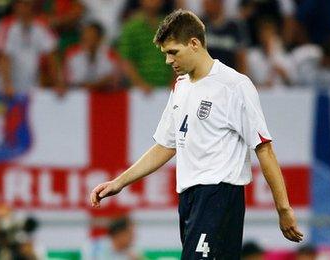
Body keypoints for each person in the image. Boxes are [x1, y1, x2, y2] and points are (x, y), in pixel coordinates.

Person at [90, 9, 303, 260]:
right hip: (189, 199)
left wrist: (283, 208)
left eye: (173, 52)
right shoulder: (181, 87)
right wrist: (119, 183)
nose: (169, 61)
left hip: (219, 196)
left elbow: (263, 148)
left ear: (194, 44)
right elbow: (165, 145)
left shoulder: (234, 86)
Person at [0, 0, 65, 96]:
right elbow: (4, 57)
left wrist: (58, 82)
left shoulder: (41, 26)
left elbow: (52, 55)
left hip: (32, 86)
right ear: (15, 7)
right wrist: (7, 84)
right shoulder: (6, 25)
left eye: (27, 5)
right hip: (9, 89)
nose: (24, 8)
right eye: (21, 5)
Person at [117, 0, 173, 93]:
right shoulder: (131, 27)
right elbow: (126, 60)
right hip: (140, 92)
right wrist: (140, 84)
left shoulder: (170, 27)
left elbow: (179, 57)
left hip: (167, 90)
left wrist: (173, 83)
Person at [64, 22, 121, 91]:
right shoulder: (72, 54)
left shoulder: (111, 54)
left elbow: (114, 80)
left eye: (91, 37)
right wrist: (98, 84)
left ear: (99, 39)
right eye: (85, 37)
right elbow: (72, 82)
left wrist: (97, 84)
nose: (87, 39)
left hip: (105, 94)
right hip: (78, 95)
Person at [201, 0, 249, 74]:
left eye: (209, 1)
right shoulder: (199, 24)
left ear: (219, 3)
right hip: (205, 78)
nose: (205, 3)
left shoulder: (234, 27)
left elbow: (241, 59)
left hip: (228, 78)